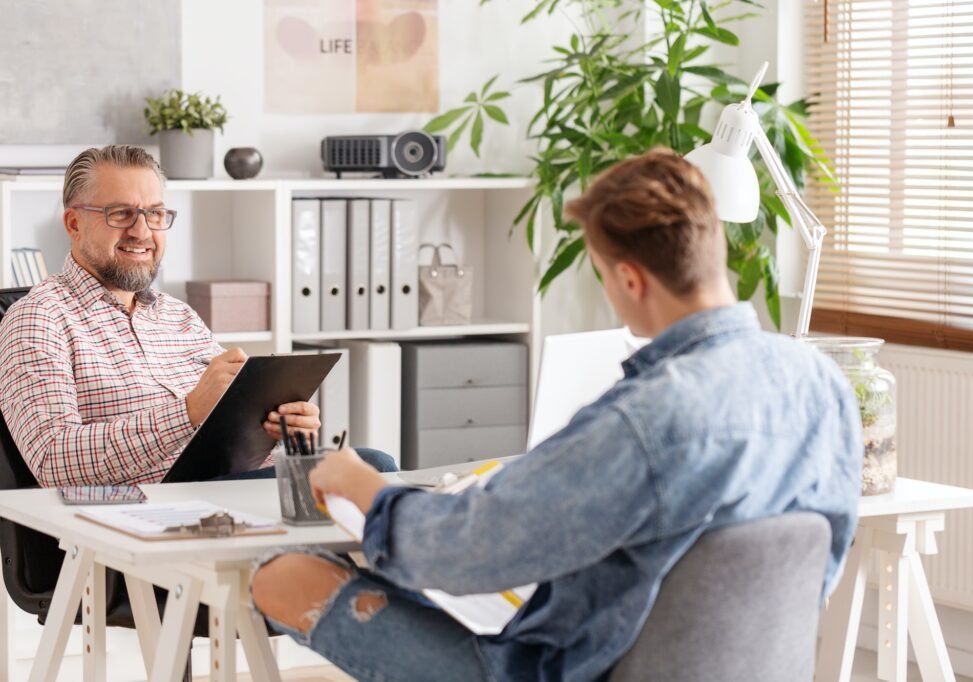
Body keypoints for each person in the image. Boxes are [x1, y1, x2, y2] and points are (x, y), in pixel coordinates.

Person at [250, 148, 863, 681]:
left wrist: (366, 486)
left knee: (282, 576)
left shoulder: (649, 420)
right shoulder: (822, 386)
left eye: (599, 274)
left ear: (629, 279)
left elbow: (465, 551)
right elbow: (823, 563)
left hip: (573, 672)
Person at [0, 144, 394, 487]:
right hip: (139, 515)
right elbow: (53, 460)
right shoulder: (38, 318)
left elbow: (226, 429)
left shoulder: (179, 317)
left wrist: (280, 428)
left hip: (226, 493)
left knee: (369, 471)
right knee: (372, 472)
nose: (142, 231)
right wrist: (187, 412)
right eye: (121, 214)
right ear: (73, 223)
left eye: (155, 214)